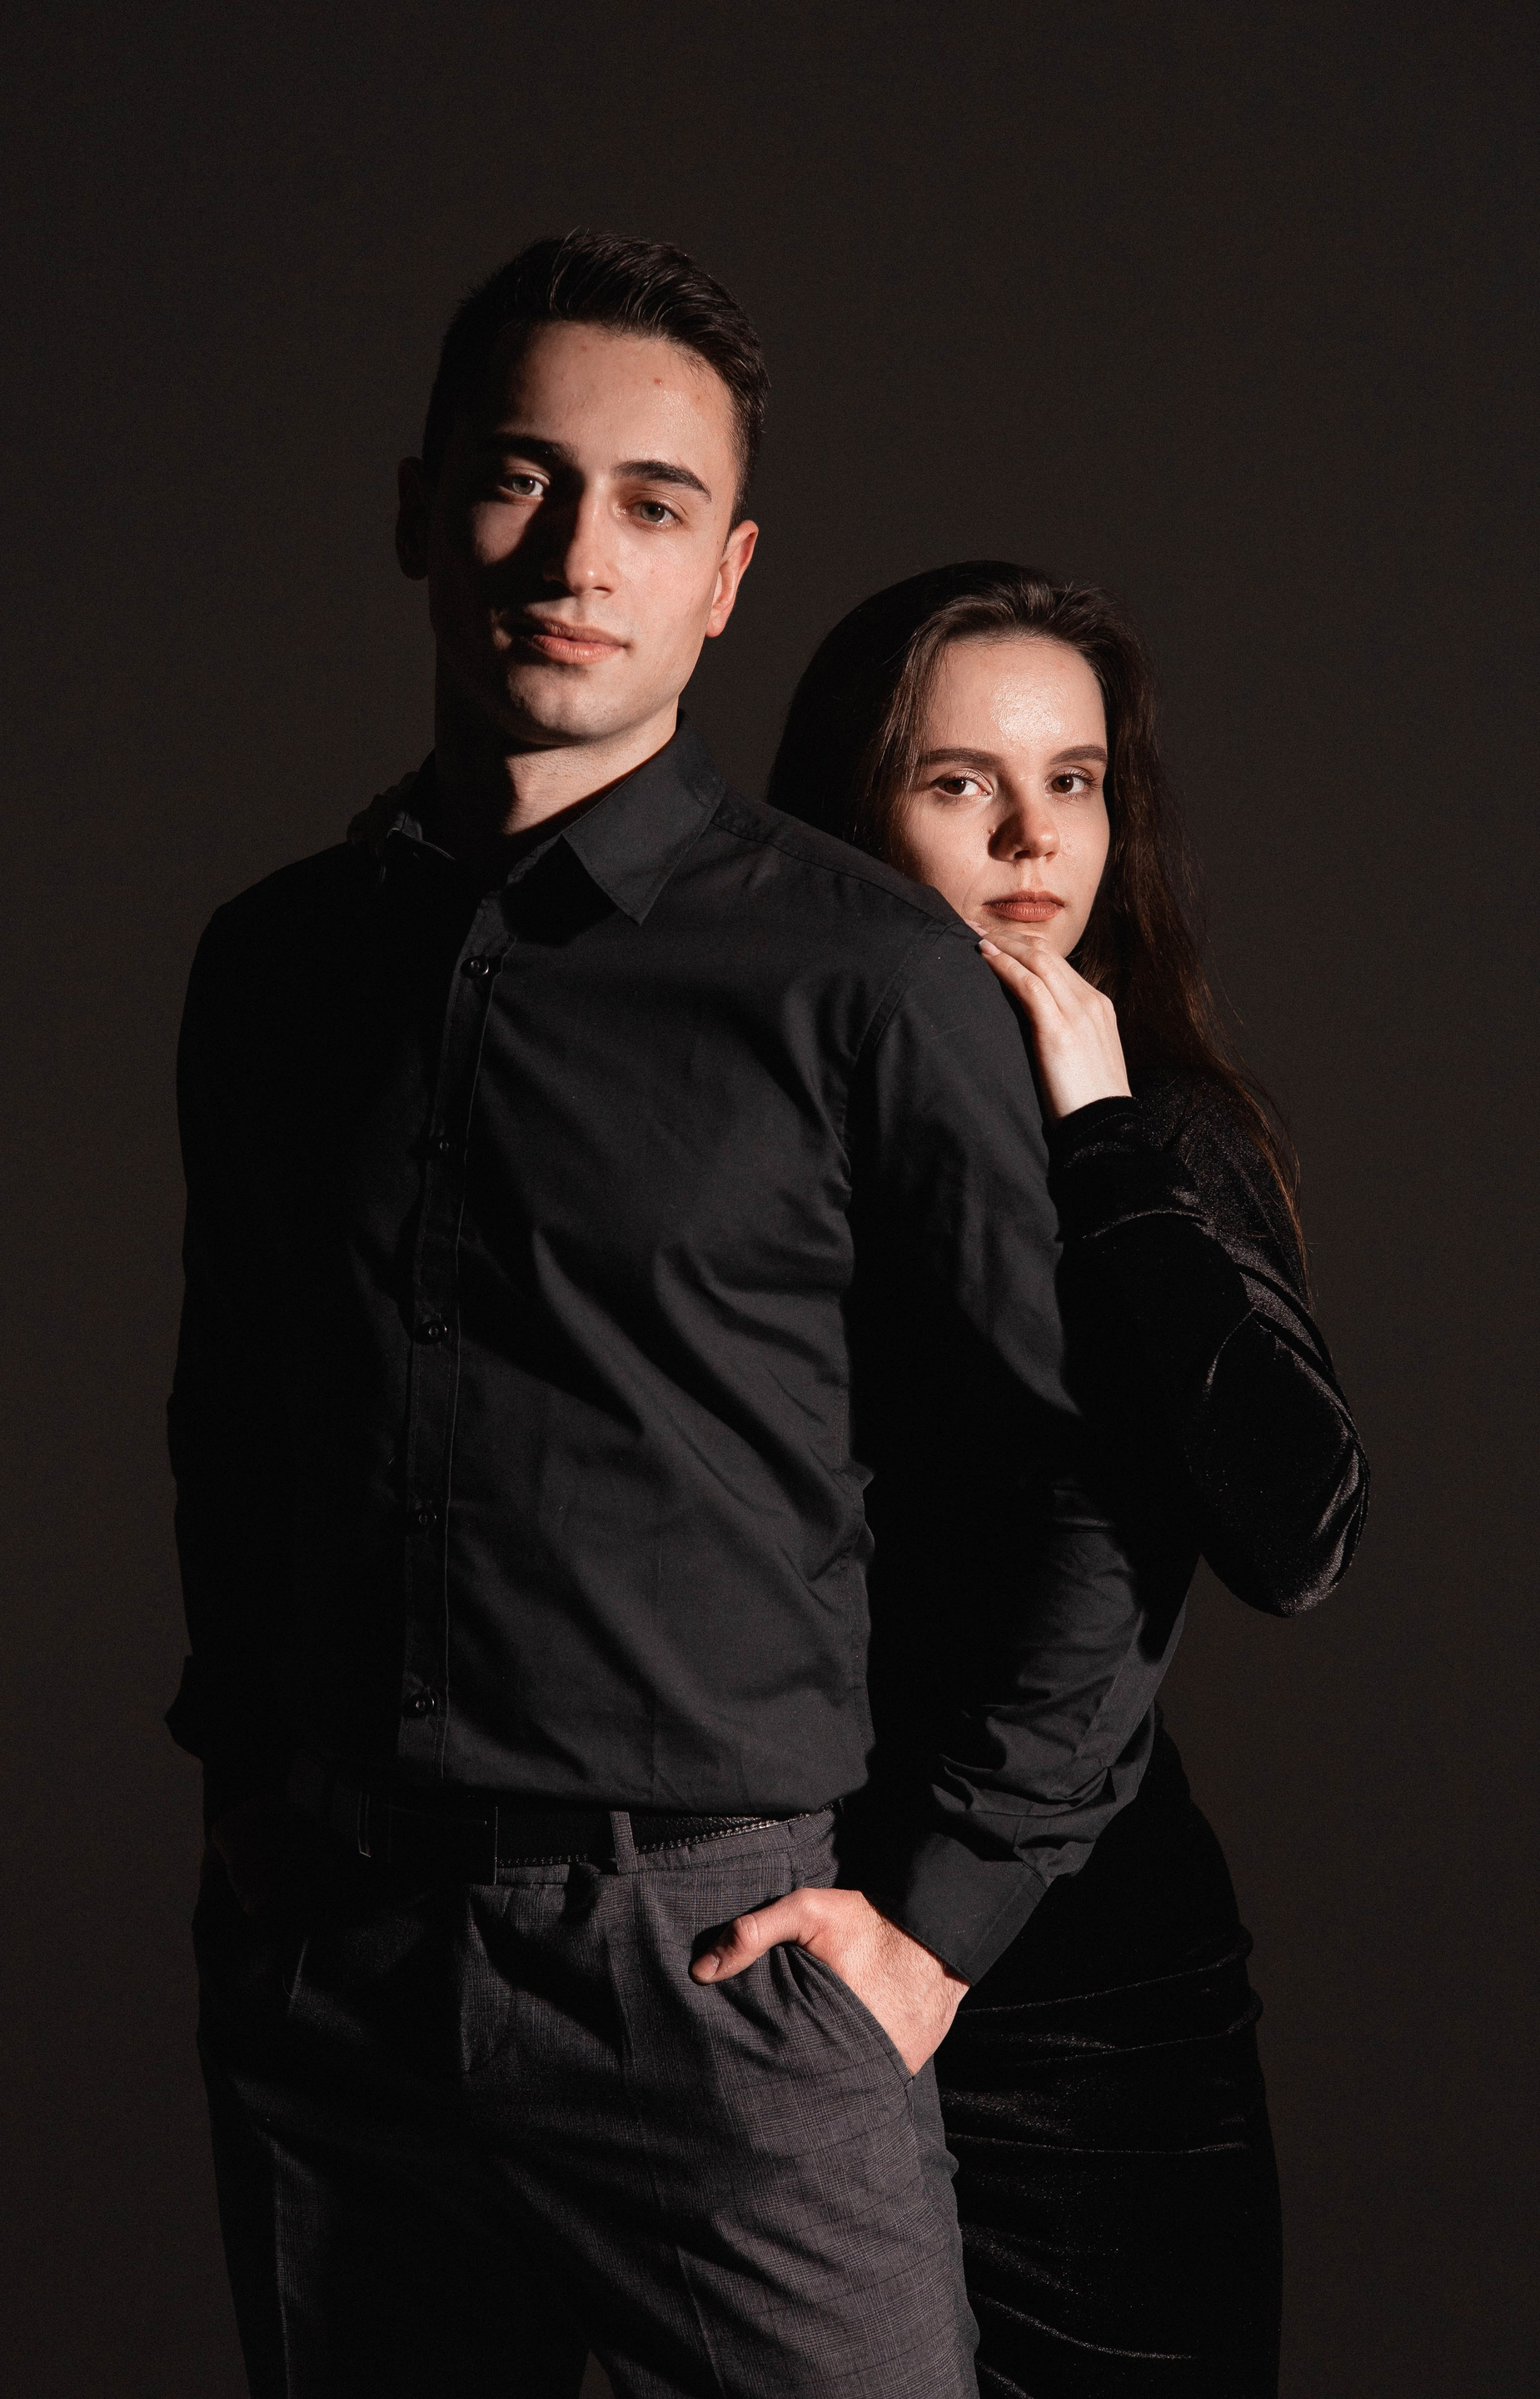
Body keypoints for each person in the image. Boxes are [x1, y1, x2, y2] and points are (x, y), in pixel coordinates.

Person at [167, 239, 1188, 2398]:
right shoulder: (277, 969)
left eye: (650, 504)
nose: (576, 555)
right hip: (341, 1978)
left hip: (714, 1983)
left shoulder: (857, 978)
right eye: (519, 479)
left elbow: (1104, 1481)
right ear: (420, 509)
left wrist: (938, 1927)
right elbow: (233, 1410)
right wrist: (249, 1782)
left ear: (724, 579)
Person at [767, 561, 1369, 2397]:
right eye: (960, 781)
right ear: (852, 810)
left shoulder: (1159, 1131)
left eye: (1078, 781)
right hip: (775, 1937)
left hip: (1089, 2012)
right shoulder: (756, 1124)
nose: (1035, 837)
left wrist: (1100, 1140)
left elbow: (1298, 1534)